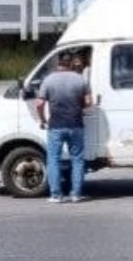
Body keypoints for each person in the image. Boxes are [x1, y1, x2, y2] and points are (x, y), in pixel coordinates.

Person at [35, 51, 91, 202]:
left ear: (58, 63)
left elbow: (39, 104)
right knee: (77, 160)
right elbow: (87, 103)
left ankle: (56, 195)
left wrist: (43, 119)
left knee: (53, 159)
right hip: (76, 125)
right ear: (71, 63)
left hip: (56, 126)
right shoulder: (81, 80)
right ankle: (76, 194)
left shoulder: (48, 80)